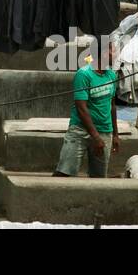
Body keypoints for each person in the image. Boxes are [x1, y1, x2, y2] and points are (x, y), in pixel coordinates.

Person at [53, 42, 119, 178]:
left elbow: (112, 105)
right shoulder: (83, 75)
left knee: (99, 177)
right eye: (113, 51)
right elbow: (81, 108)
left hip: (105, 131)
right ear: (105, 53)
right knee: (64, 173)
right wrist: (95, 137)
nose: (116, 54)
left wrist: (116, 134)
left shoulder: (112, 75)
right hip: (80, 130)